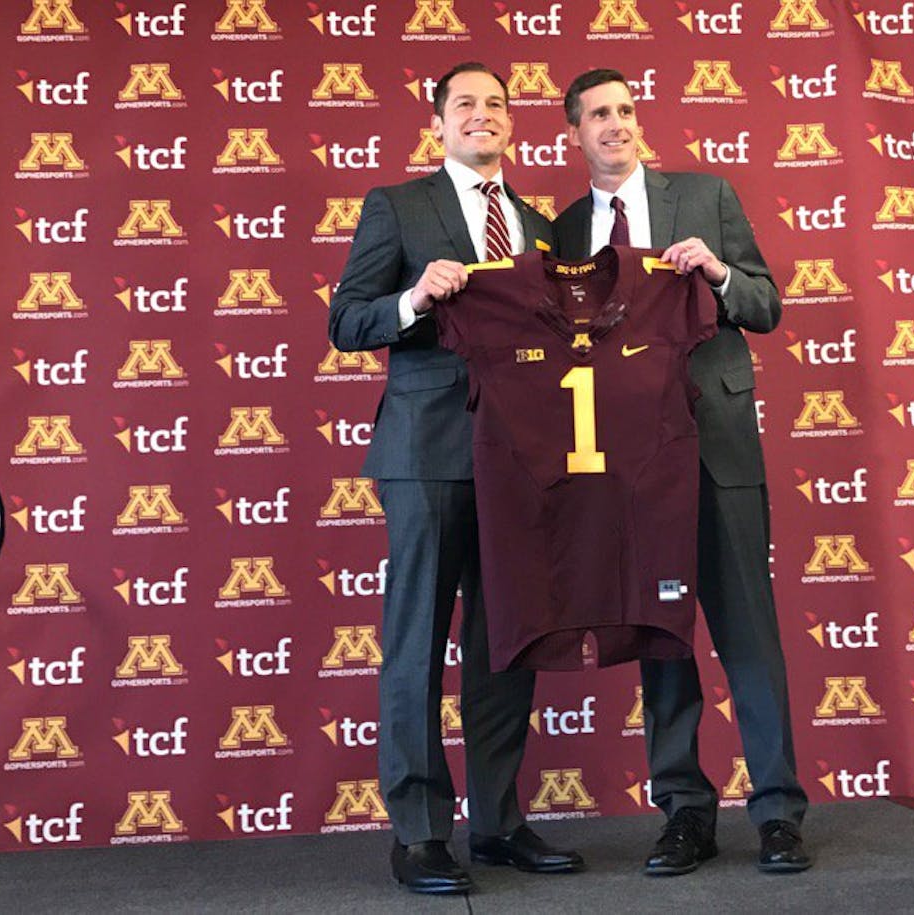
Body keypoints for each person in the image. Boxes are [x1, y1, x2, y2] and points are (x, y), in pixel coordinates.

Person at [328, 61, 583, 895]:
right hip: (428, 449)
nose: (483, 115)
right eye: (465, 104)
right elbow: (346, 321)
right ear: (439, 122)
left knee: (507, 638)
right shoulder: (398, 207)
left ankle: (499, 822)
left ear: (514, 123)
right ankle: (419, 830)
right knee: (415, 639)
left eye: (497, 104)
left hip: (522, 459)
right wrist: (412, 297)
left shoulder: (543, 226)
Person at [554, 69, 810, 875]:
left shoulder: (706, 197)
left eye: (626, 111)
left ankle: (776, 811)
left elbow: (767, 306)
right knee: (661, 639)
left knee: (749, 633)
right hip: (628, 466)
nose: (616, 124)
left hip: (718, 446)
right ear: (574, 135)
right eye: (598, 115)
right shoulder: (559, 233)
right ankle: (685, 812)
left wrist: (722, 275)